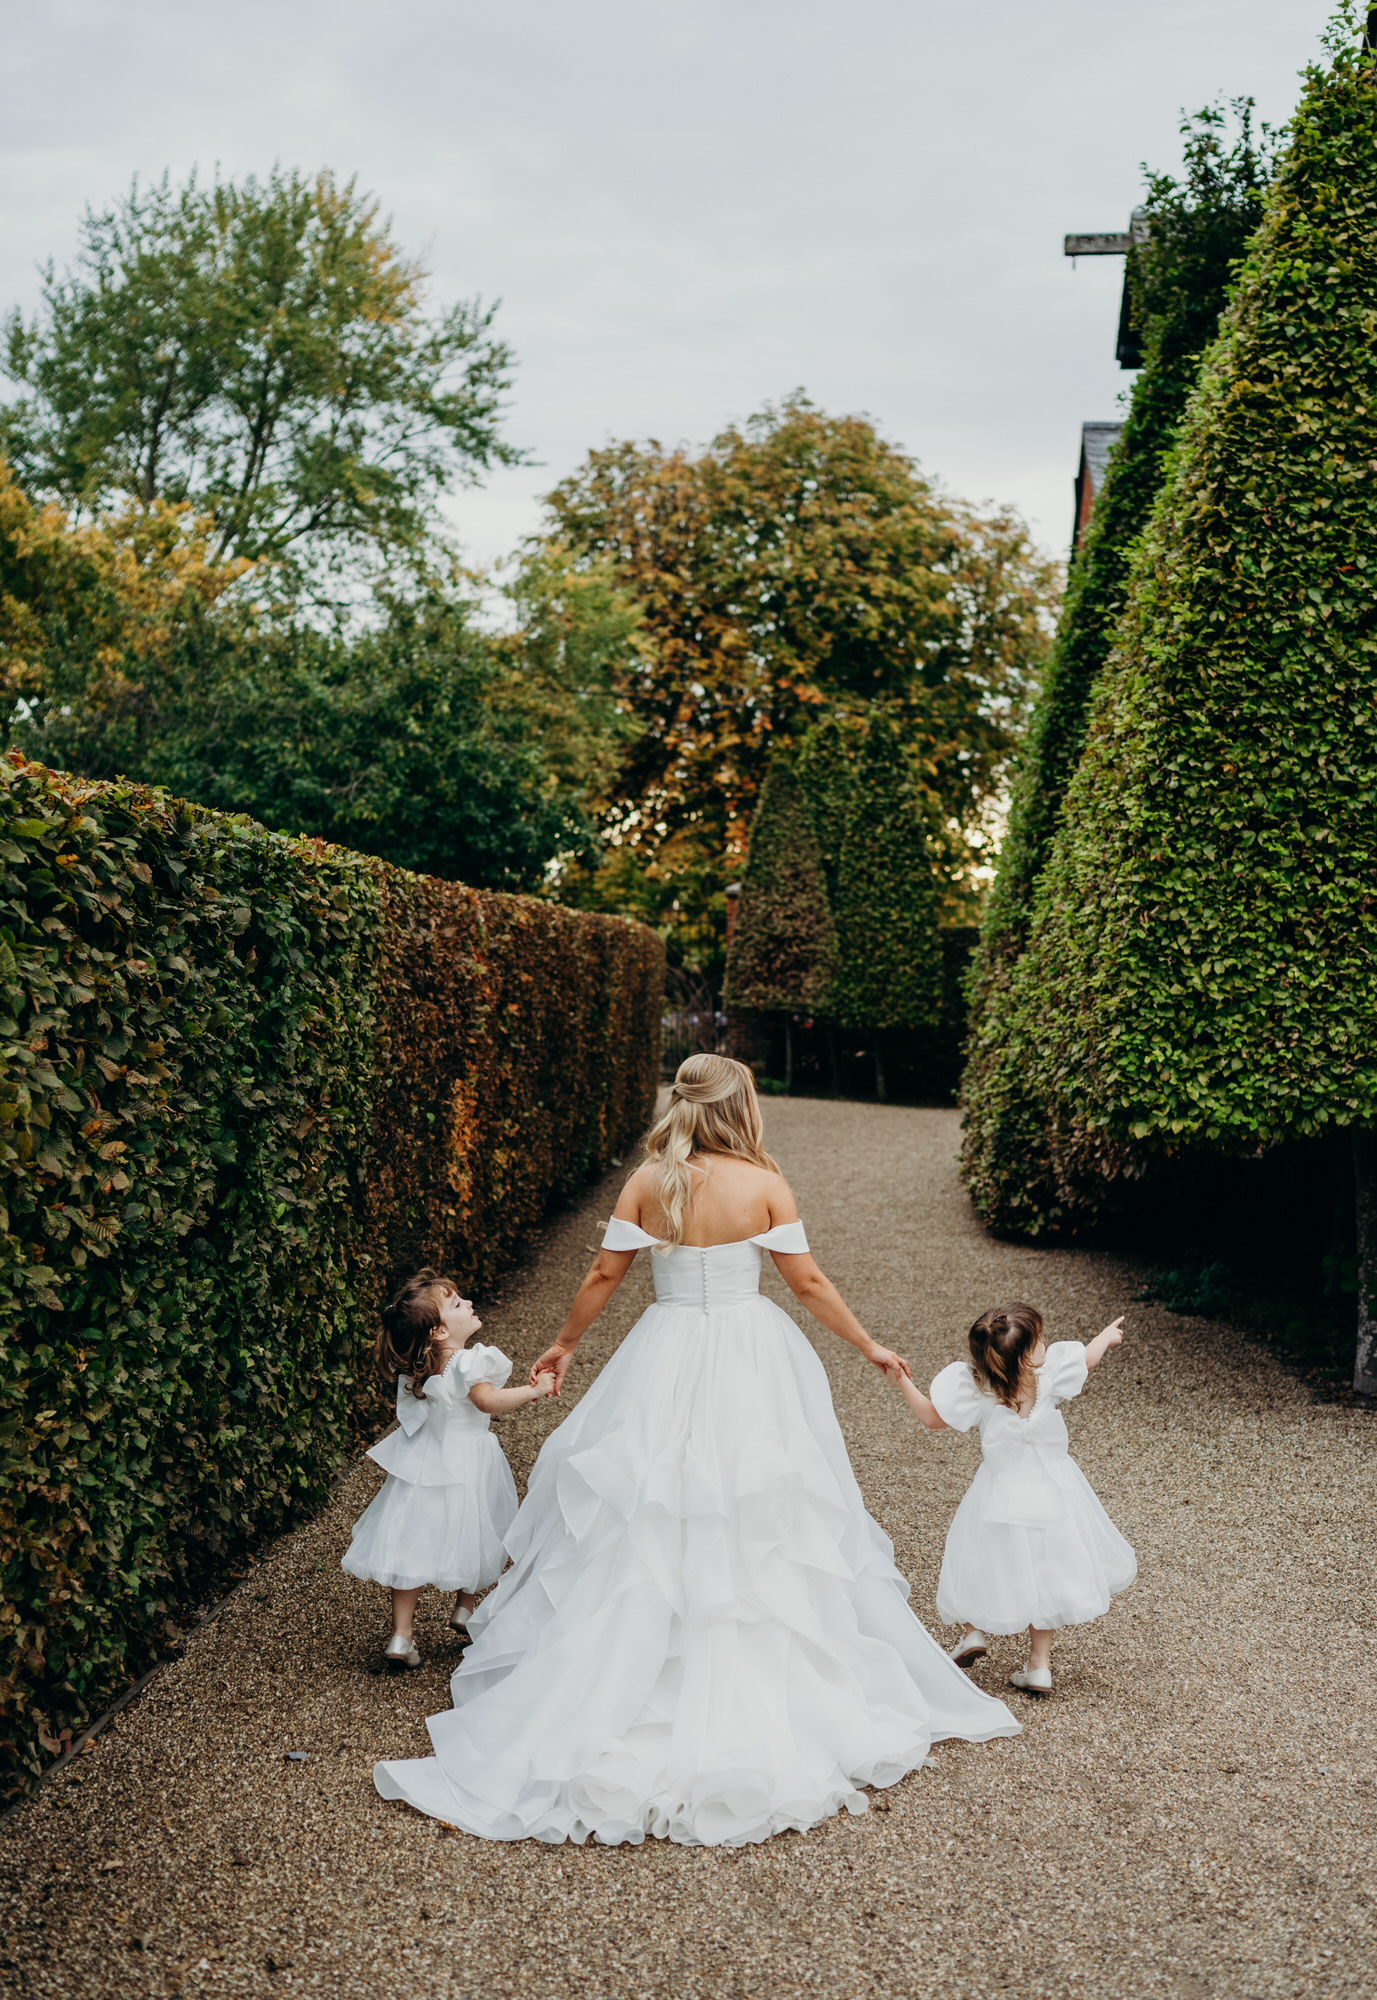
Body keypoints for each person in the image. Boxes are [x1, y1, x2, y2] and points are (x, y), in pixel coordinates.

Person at [374, 1055, 1019, 1845]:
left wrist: (565, 1345)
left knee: (651, 1496)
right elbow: (808, 1284)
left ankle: (632, 1657)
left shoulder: (650, 1181)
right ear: (739, 1107)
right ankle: (749, 1655)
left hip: (666, 1348)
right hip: (751, 1352)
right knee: (758, 1493)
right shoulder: (763, 1182)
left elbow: (605, 1273)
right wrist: (869, 1346)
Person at [893, 1302, 1136, 1694]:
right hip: (1054, 1492)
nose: (1046, 1345)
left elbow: (931, 1417)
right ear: (1026, 1358)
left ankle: (973, 1632)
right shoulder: (1049, 1378)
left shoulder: (980, 1392)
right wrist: (1105, 1337)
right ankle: (1039, 1665)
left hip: (999, 1494)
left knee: (980, 1558)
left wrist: (902, 1381)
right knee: (1047, 1570)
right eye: (1039, 1341)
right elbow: (1087, 1360)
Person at [343, 1268, 554, 1669]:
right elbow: (486, 1402)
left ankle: (401, 1636)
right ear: (440, 1332)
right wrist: (534, 1390)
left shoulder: (419, 1368)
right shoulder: (469, 1361)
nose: (468, 1302)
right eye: (457, 1303)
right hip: (468, 1460)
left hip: (423, 1464)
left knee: (410, 1543)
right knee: (475, 1529)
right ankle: (465, 1607)